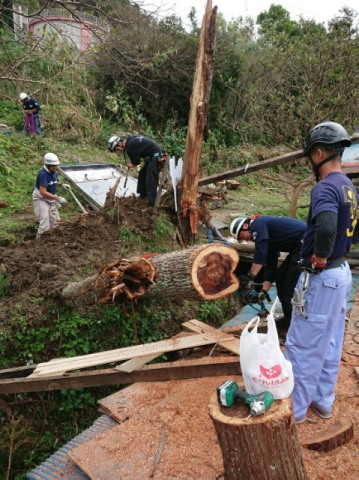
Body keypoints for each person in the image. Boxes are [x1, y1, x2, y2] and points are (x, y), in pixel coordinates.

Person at [284, 121, 357, 424]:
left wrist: (318, 260)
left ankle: (295, 412)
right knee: (330, 339)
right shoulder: (349, 187)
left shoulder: (324, 187)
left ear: (317, 153)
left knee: (303, 344)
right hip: (343, 273)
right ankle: (323, 402)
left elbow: (326, 227)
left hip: (323, 275)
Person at [230, 214, 306, 328]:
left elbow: (260, 253)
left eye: (242, 236)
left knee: (289, 286)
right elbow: (270, 266)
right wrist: (264, 291)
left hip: (307, 242)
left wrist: (250, 276)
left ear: (245, 226)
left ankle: (294, 325)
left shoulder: (257, 224)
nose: (244, 239)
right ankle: (288, 319)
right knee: (280, 278)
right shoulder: (268, 238)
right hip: (299, 247)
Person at [108, 134, 165, 211]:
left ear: (119, 143)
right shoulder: (131, 139)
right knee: (142, 173)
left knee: (150, 178)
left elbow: (136, 162)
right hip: (154, 155)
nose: (119, 151)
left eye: (117, 149)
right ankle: (143, 196)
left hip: (157, 155)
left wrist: (131, 164)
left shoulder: (130, 147)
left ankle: (152, 205)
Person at [32, 153, 69, 237]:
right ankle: (39, 244)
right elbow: (43, 192)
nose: (55, 167)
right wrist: (58, 197)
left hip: (51, 198)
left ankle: (53, 243)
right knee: (45, 223)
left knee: (56, 222)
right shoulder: (43, 174)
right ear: (47, 165)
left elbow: (53, 183)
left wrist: (62, 185)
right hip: (41, 199)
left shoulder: (54, 172)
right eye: (52, 165)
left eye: (56, 165)